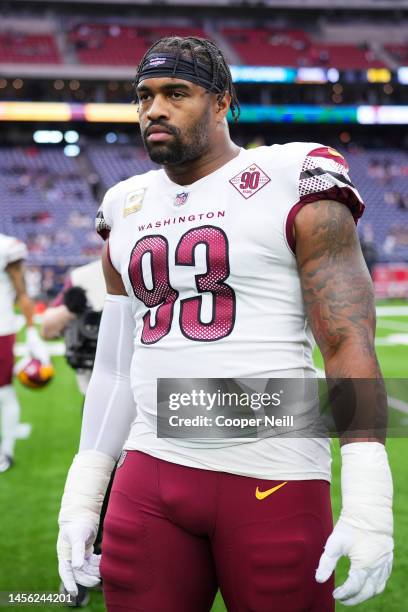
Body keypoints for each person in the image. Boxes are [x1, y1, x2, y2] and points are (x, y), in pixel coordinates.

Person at [57, 37, 393, 611]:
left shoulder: (294, 176)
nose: (154, 109)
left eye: (176, 93)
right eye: (144, 96)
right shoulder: (123, 205)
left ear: (221, 103)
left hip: (273, 473)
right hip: (151, 473)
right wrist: (85, 492)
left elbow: (346, 338)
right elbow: (115, 367)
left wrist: (369, 497)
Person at [0, 233, 48, 473]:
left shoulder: (6, 247)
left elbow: (22, 294)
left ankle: (5, 451)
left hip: (1, 329)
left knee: (3, 393)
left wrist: (31, 330)